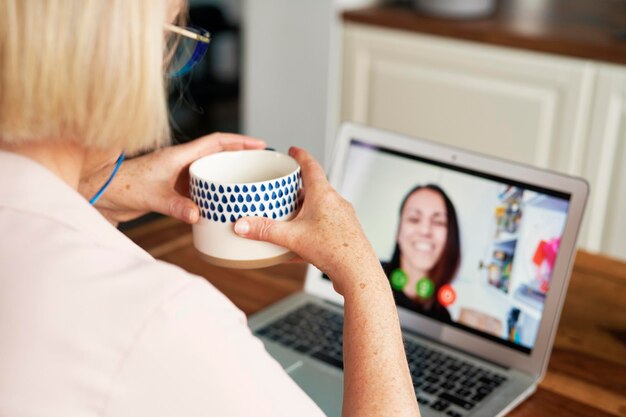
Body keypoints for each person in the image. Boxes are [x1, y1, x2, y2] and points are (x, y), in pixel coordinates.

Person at [0, 1, 420, 416]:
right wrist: (365, 274)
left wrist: (97, 189)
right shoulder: (163, 318)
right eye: (168, 40)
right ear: (110, 60)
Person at [383, 185, 461, 322]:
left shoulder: (443, 318)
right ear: (398, 232)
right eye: (413, 219)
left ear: (450, 238)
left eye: (438, 222)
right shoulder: (367, 276)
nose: (425, 231)